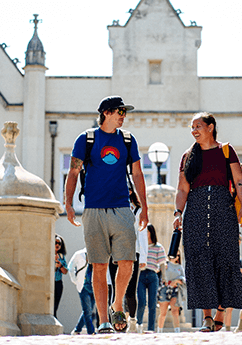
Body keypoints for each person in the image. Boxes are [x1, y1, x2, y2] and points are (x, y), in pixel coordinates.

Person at [64, 95, 149, 334]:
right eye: (120, 111)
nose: (124, 116)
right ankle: (103, 321)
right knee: (99, 266)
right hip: (93, 210)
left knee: (127, 262)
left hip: (122, 207)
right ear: (106, 113)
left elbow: (138, 174)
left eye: (124, 112)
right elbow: (73, 172)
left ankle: (117, 302)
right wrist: (68, 205)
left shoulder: (129, 140)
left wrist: (144, 207)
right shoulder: (86, 139)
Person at [173, 112, 242, 332]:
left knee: (225, 259)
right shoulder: (188, 156)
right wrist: (178, 212)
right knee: (199, 261)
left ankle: (219, 313)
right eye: (192, 127)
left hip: (223, 209)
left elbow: (239, 181)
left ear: (211, 127)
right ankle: (207, 317)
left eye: (198, 126)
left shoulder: (226, 150)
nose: (194, 130)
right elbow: (182, 188)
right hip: (195, 210)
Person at [108, 188, 148, 333]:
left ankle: (132, 319)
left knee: (131, 290)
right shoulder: (112, 207)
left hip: (133, 252)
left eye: (128, 188)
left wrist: (143, 256)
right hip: (115, 253)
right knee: (115, 288)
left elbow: (142, 233)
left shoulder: (138, 210)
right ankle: (115, 318)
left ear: (131, 191)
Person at [136, 224, 166, 333]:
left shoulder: (158, 247)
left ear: (151, 233)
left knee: (152, 304)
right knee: (141, 301)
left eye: (146, 232)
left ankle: (151, 328)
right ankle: (138, 324)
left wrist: (165, 278)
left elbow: (162, 263)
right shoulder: (140, 246)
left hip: (153, 275)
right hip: (141, 276)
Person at [224, 234, 242, 332]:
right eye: (237, 238)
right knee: (229, 307)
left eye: (240, 239)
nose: (239, 241)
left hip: (240, 281)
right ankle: (227, 330)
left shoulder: (237, 253)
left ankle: (240, 327)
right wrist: (240, 271)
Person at [68, 247, 96, 335]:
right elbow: (70, 267)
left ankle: (77, 329)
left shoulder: (98, 255)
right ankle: (91, 332)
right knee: (87, 311)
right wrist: (75, 280)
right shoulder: (79, 254)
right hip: (83, 286)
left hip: (94, 287)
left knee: (88, 310)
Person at [157, 253, 186, 333]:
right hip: (164, 290)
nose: (175, 256)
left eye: (177, 255)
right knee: (163, 312)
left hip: (175, 290)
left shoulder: (179, 267)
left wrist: (176, 281)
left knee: (175, 311)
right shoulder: (165, 264)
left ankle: (177, 331)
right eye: (174, 254)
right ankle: (159, 330)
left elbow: (183, 279)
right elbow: (158, 271)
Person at [54, 234, 68, 318]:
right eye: (56, 242)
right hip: (49, 283)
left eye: (59, 244)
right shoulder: (48, 255)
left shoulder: (61, 257)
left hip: (58, 283)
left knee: (55, 306)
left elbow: (65, 271)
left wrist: (60, 265)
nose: (57, 245)